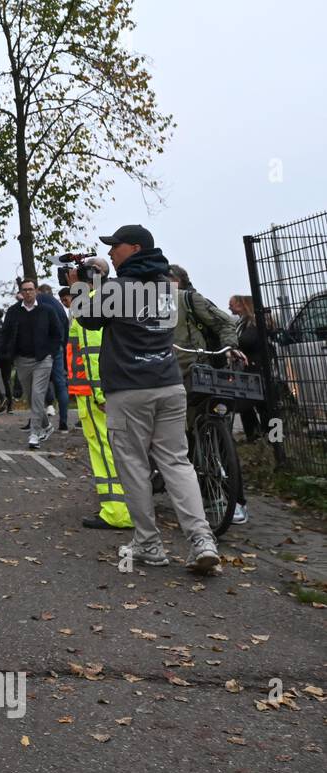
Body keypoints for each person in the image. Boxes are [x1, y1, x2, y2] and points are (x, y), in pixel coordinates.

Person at [82, 225, 219, 572]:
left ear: (136, 247)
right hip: (170, 385)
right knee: (177, 462)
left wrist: (83, 282)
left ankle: (148, 543)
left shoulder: (119, 287)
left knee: (134, 467)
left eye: (117, 246)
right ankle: (202, 540)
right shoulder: (168, 287)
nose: (112, 252)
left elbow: (87, 317)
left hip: (129, 391)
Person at [169, 265, 248, 524]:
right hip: (172, 379)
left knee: (216, 434)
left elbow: (224, 322)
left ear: (177, 281)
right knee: (186, 438)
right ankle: (204, 494)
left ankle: (234, 499)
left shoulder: (191, 300)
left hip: (203, 373)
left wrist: (229, 348)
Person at [66, 258, 132, 530]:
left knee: (105, 450)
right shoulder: (103, 298)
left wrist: (99, 393)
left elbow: (93, 352)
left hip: (94, 392)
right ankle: (123, 507)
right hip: (97, 389)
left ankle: (116, 511)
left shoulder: (91, 302)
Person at [0, 278, 63, 449]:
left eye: (31, 289)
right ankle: (46, 426)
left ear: (36, 291)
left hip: (42, 359)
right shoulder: (14, 312)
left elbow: (57, 334)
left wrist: (50, 353)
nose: (28, 292)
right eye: (25, 290)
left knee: (38, 395)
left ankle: (34, 434)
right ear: (21, 293)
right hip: (22, 360)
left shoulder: (47, 310)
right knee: (31, 397)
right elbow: (5, 334)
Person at [229, 294, 272, 445]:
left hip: (257, 368)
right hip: (250, 368)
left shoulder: (254, 322)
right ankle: (258, 436)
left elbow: (247, 340)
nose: (230, 307)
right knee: (249, 405)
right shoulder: (243, 323)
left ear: (243, 305)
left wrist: (233, 344)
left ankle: (273, 437)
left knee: (266, 406)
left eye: (232, 304)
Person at [39, 283, 71, 430]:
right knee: (60, 383)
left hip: (40, 348)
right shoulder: (59, 307)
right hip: (57, 347)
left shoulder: (37, 303)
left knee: (38, 383)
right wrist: (62, 346)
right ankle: (63, 422)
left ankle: (40, 421)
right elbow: (65, 327)